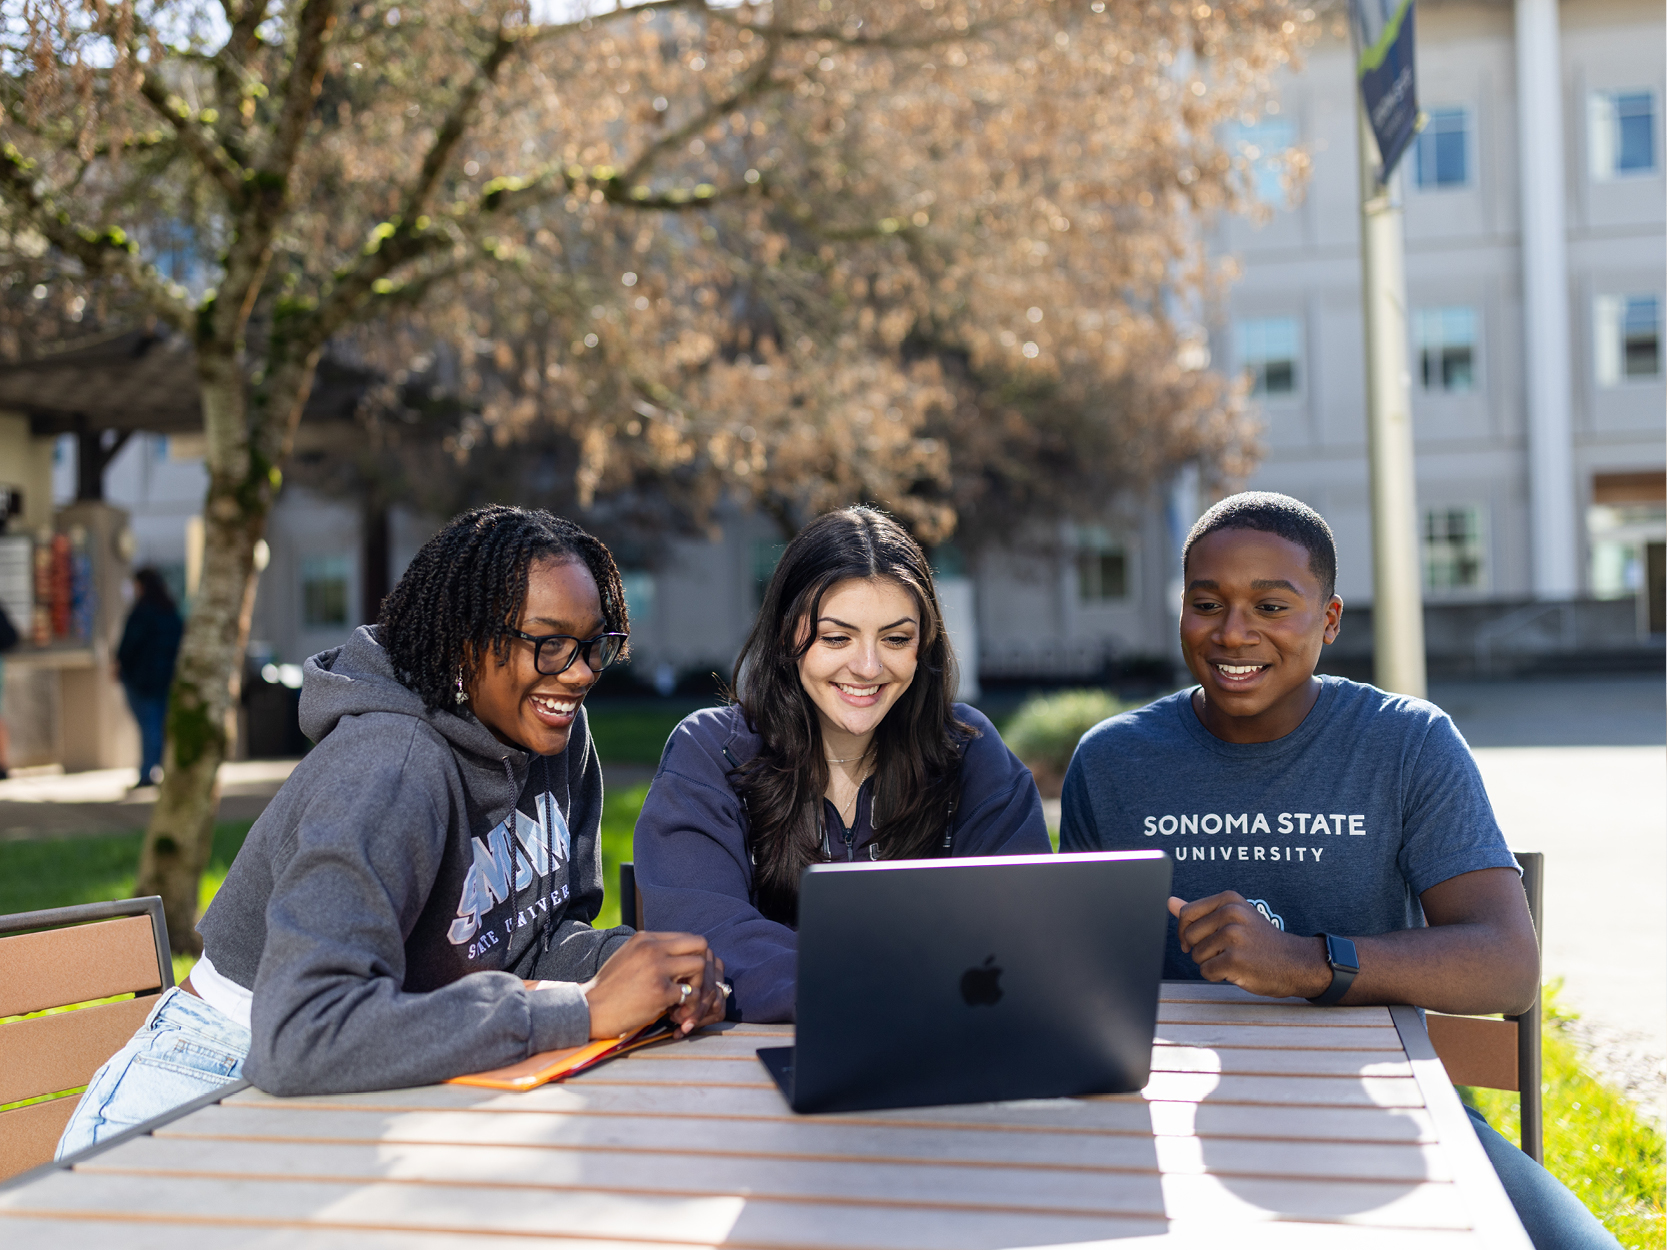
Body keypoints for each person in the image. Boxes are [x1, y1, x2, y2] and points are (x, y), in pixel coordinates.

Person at [59, 506, 725, 1156]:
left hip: (362, 1072)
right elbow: (302, 1035)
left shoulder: (554, 735)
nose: (577, 673)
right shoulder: (391, 764)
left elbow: (530, 941)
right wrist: (579, 1013)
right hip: (204, 1086)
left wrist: (633, 968)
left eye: (592, 646)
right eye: (547, 645)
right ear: (465, 641)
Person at [1060, 490, 1621, 1250]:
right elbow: (1075, 987)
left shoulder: (1407, 743)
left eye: (1270, 605)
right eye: (1206, 603)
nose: (1233, 632)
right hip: (1170, 1117)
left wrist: (1302, 963)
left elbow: (1507, 966)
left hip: (1396, 1106)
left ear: (1328, 620)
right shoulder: (1112, 760)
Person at [633, 506, 1052, 1022]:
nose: (868, 667)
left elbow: (1025, 927)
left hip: (940, 1056)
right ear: (789, 633)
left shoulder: (969, 752)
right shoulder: (712, 753)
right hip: (751, 1064)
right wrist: (883, 991)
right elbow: (707, 935)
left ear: (924, 644)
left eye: (896, 639)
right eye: (837, 638)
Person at [115, 567, 184, 789]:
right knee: (158, 726)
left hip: (142, 680)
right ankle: (158, 769)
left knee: (149, 727)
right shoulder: (170, 611)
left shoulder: (142, 612)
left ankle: (148, 772)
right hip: (165, 679)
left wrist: (121, 666)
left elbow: (128, 646)